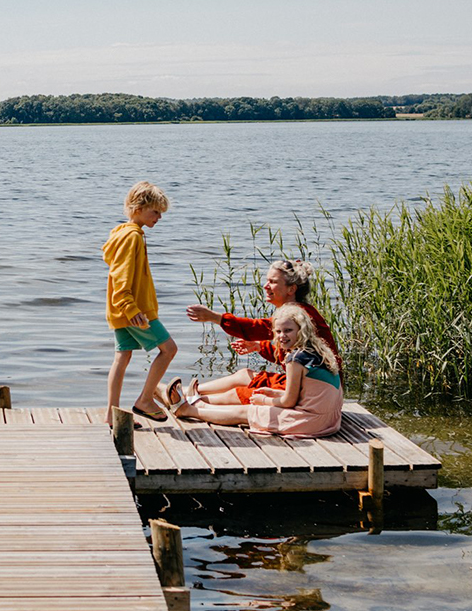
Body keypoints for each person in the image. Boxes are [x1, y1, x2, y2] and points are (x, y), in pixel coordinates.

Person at [174, 259, 339, 407]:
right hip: (305, 383)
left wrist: (216, 318)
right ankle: (188, 391)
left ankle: (188, 403)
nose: (266, 286)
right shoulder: (294, 312)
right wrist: (260, 346)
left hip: (315, 392)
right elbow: (296, 355)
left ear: (291, 289)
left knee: (242, 392)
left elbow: (255, 328)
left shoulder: (299, 315)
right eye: (267, 280)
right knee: (243, 375)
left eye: (273, 282)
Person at [169, 303, 342, 438]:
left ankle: (190, 410)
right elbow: (303, 393)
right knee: (255, 397)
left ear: (302, 330)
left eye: (288, 331)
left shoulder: (294, 359)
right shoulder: (316, 349)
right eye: (278, 331)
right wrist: (272, 394)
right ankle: (198, 402)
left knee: (247, 411)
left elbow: (289, 402)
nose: (282, 336)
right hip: (330, 419)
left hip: (312, 421)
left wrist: (264, 400)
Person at [102, 181, 178, 424]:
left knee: (122, 357)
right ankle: (145, 400)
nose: (159, 217)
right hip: (134, 310)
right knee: (169, 349)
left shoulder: (124, 233)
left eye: (160, 213)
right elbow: (120, 275)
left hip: (122, 310)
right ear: (137, 208)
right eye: (155, 211)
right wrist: (131, 307)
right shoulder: (131, 237)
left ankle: (111, 415)